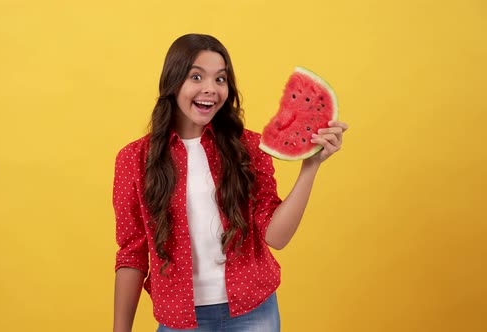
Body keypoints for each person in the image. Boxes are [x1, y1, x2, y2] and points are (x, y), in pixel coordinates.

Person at [112, 33, 348, 332]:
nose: (210, 89)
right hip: (181, 320)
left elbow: (277, 237)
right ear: (173, 83)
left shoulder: (249, 147)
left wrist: (310, 166)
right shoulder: (133, 159)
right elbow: (132, 253)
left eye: (220, 79)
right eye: (196, 76)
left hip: (254, 312)